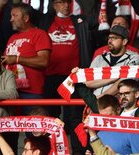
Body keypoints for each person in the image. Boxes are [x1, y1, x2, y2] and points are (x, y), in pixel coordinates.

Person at [38, 1, 96, 153]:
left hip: (73, 77)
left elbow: (96, 20)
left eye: (67, 2)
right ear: (54, 4)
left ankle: (78, 151)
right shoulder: (45, 20)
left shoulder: (80, 21)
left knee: (75, 117)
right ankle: (50, 150)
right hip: (51, 76)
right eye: (61, 2)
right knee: (51, 116)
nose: (65, 5)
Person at [2, 3, 51, 110]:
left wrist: (16, 59)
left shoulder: (39, 34)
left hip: (32, 93)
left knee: (33, 125)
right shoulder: (12, 37)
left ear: (26, 18)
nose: (11, 19)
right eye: (11, 16)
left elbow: (43, 61)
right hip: (11, 92)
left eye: (15, 16)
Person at [85, 25, 139, 98]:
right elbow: (88, 82)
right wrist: (111, 79)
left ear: (124, 41)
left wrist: (101, 97)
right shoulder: (99, 58)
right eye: (109, 38)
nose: (110, 41)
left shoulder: (133, 58)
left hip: (119, 105)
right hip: (97, 105)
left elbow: (124, 83)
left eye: (114, 38)